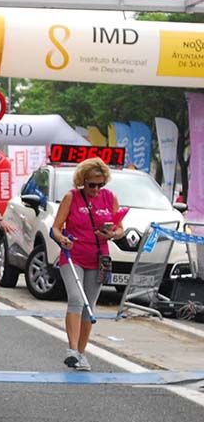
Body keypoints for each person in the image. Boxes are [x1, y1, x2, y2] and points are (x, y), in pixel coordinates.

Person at [50, 157, 123, 371]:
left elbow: (120, 229)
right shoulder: (71, 197)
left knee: (89, 306)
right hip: (74, 256)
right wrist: (62, 239)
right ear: (83, 181)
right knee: (75, 298)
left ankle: (82, 353)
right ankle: (72, 350)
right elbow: (55, 228)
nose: (96, 189)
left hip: (99, 257)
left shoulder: (110, 198)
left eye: (101, 184)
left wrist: (112, 234)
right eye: (92, 184)